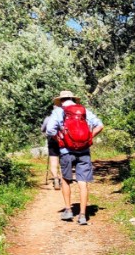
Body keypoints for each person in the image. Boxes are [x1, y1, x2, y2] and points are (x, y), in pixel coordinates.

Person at [44, 90, 103, 225]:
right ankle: (82, 215)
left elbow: (50, 130)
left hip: (66, 151)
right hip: (84, 151)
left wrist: (60, 139)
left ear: (61, 100)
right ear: (74, 99)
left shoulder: (58, 111)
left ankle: (68, 210)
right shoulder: (83, 110)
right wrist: (89, 138)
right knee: (83, 182)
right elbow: (100, 125)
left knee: (66, 179)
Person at [41, 96, 63, 189]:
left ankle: (55, 178)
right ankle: (63, 178)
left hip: (52, 140)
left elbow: (43, 129)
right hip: (63, 140)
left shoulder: (48, 118)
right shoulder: (64, 117)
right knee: (63, 160)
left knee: (53, 160)